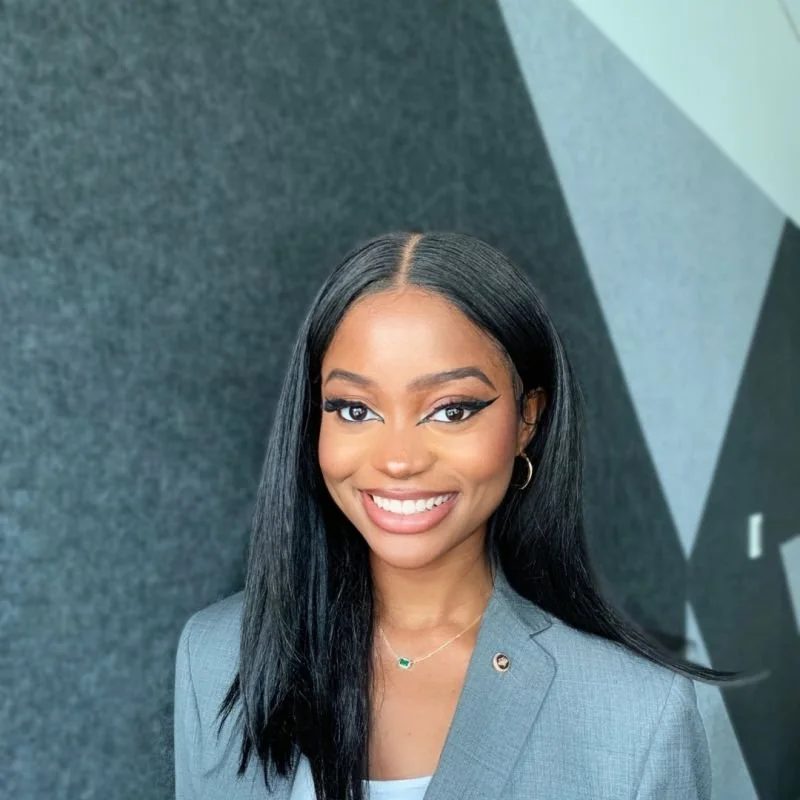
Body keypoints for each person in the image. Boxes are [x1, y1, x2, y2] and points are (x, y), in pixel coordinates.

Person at [174, 231, 746, 800]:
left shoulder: (635, 715)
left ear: (528, 418)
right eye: (355, 408)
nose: (398, 460)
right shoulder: (218, 657)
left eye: (451, 410)